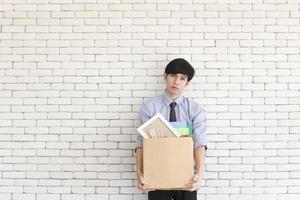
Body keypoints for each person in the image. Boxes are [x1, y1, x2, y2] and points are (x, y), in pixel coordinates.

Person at [135, 58, 207, 200]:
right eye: (173, 75)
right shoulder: (150, 107)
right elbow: (141, 143)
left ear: (188, 82)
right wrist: (140, 175)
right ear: (165, 76)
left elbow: (199, 143)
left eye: (182, 78)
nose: (176, 81)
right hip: (156, 176)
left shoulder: (195, 110)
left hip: (186, 177)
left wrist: (199, 175)